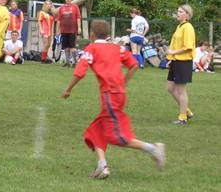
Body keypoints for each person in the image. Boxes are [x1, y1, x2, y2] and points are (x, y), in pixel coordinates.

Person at [61, 19, 165, 179]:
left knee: (117, 137)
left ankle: (153, 149)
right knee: (96, 130)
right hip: (117, 94)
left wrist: (68, 89)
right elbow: (134, 65)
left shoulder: (92, 48)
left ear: (92, 35)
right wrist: (123, 82)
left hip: (110, 96)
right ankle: (102, 166)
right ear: (108, 34)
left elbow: (80, 72)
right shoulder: (118, 48)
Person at [166, 4, 196, 125]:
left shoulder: (188, 27)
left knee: (181, 91)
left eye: (180, 11)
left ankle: (182, 117)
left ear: (187, 15)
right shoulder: (180, 26)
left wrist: (173, 52)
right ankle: (187, 111)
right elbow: (176, 44)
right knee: (170, 88)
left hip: (183, 62)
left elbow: (188, 47)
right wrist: (171, 58)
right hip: (176, 61)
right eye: (177, 11)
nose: (178, 13)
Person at [56, 0, 81, 67]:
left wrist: (79, 27)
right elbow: (59, 20)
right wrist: (57, 30)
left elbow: (78, 18)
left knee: (72, 47)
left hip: (72, 30)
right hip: (64, 30)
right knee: (66, 47)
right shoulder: (61, 8)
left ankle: (75, 62)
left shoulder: (75, 7)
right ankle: (67, 62)